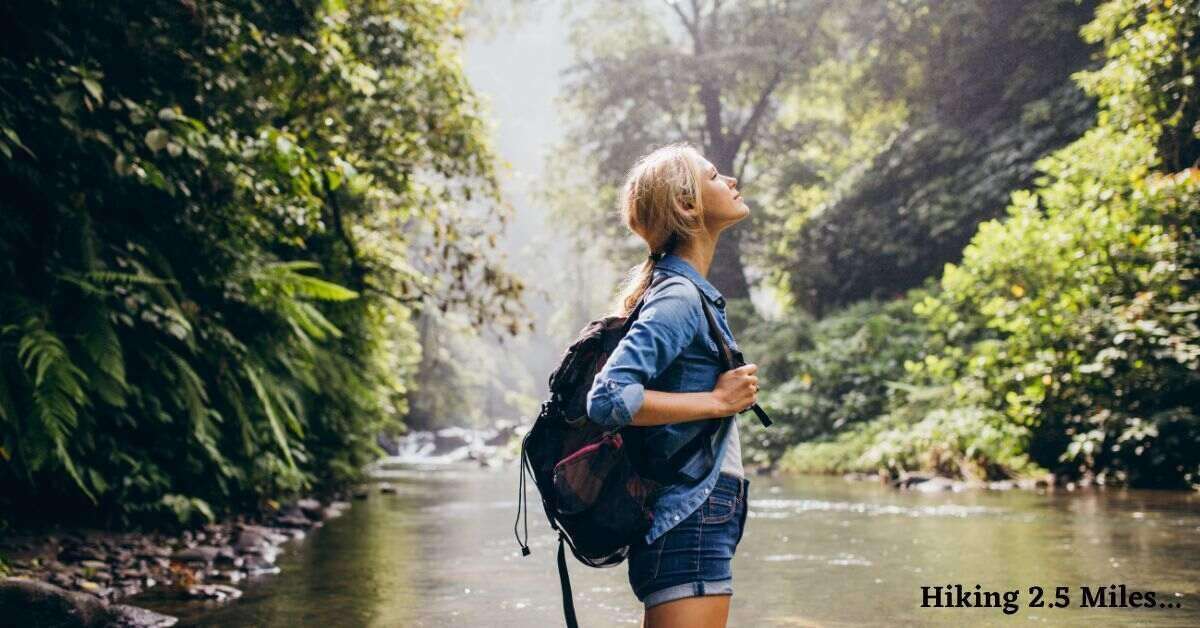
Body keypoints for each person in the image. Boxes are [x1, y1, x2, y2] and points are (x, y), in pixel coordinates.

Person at [585, 142, 759, 628]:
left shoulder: (683, 292)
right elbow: (608, 397)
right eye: (713, 176)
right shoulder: (680, 296)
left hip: (697, 513)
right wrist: (718, 400)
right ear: (686, 205)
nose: (729, 180)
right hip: (691, 515)